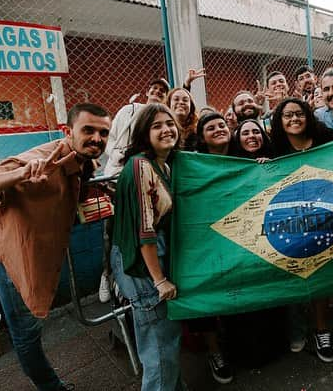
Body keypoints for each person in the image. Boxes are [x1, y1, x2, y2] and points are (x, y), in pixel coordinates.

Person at [0, 104, 111, 390]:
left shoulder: (84, 162)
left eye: (103, 133)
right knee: (26, 332)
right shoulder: (40, 159)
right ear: (68, 132)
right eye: (88, 130)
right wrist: (18, 176)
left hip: (10, 245)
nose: (97, 138)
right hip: (11, 250)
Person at [270, 98, 333, 363]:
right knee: (316, 274)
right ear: (280, 120)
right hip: (300, 223)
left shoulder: (326, 136)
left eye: (299, 114)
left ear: (308, 116)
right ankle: (321, 329)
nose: (294, 119)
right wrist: (261, 165)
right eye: (287, 115)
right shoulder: (276, 147)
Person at [110, 104, 183, 391]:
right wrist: (159, 280)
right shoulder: (141, 166)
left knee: (165, 341)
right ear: (143, 133)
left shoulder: (161, 163)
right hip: (144, 265)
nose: (166, 130)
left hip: (147, 258)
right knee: (159, 347)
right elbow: (145, 230)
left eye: (169, 123)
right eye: (157, 126)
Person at [99, 79, 170, 303]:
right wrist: (120, 155)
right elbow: (111, 139)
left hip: (143, 176)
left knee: (139, 228)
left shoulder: (160, 122)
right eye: (154, 89)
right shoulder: (129, 111)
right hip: (118, 176)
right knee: (113, 231)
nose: (157, 93)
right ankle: (108, 276)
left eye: (162, 91)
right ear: (147, 91)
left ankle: (129, 281)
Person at [189, 112, 234, 383]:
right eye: (211, 127)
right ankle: (214, 351)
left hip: (240, 234)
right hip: (206, 235)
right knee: (204, 289)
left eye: (222, 125)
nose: (218, 129)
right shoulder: (193, 163)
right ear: (202, 138)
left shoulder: (245, 155)